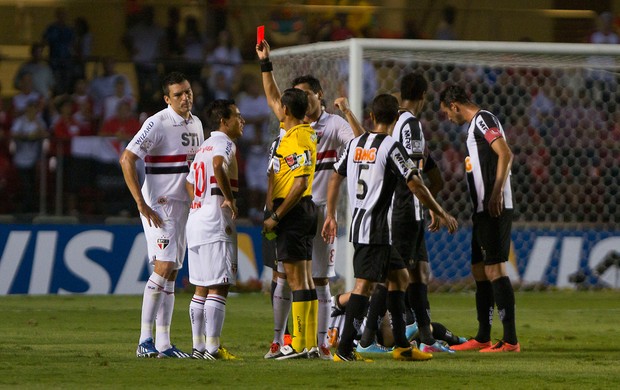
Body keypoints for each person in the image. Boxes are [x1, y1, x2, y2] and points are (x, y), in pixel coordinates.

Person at [322, 93, 458, 362]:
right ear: (396, 118)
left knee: (400, 278)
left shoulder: (355, 143)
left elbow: (335, 177)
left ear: (371, 117)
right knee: (363, 287)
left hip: (369, 228)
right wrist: (440, 210)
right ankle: (346, 350)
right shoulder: (391, 146)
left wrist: (330, 214)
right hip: (373, 230)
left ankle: (402, 346)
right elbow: (415, 183)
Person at [120, 72, 204, 358]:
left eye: (188, 92)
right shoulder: (157, 123)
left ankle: (164, 344)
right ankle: (144, 340)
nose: (185, 97)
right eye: (178, 94)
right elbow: (127, 159)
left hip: (184, 208)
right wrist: (141, 204)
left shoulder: (197, 123)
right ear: (167, 99)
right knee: (164, 267)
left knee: (172, 274)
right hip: (159, 207)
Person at [439, 85, 520, 352]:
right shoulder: (476, 125)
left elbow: (506, 153)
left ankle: (510, 340)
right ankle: (483, 336)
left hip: (494, 206)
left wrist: (496, 192)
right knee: (479, 269)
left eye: (447, 113)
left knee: (495, 268)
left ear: (454, 105)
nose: (448, 119)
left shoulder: (483, 119)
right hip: (482, 210)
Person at [256, 39, 318, 360]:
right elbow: (271, 93)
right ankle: (308, 342)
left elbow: (299, 183)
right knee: (304, 278)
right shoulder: (302, 131)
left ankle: (293, 343)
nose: (276, 105)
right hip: (305, 210)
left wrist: (276, 216)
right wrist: (265, 63)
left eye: (281, 105)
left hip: (291, 209)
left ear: (287, 111)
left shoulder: (295, 139)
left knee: (294, 279)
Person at [388, 73, 455, 353]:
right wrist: (434, 208)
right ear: (423, 96)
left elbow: (427, 171)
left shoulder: (393, 123)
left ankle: (426, 338)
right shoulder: (411, 125)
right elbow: (414, 175)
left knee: (418, 273)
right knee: (400, 277)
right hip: (405, 208)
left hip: (403, 207)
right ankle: (386, 336)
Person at [186, 99, 244, 360]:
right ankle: (213, 347)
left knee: (200, 286)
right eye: (237, 116)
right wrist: (228, 198)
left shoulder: (203, 147)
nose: (241, 121)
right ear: (224, 121)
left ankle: (198, 347)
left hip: (196, 218)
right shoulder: (224, 143)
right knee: (219, 286)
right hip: (215, 221)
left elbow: (189, 182)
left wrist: (200, 202)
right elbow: (219, 165)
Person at [9, 99, 48, 213]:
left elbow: (45, 133)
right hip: (20, 159)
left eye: (33, 109)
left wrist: (37, 126)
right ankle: (24, 210)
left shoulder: (39, 121)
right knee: (26, 186)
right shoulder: (20, 121)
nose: (31, 112)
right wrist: (26, 136)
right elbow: (13, 133)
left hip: (34, 160)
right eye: (29, 109)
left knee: (33, 185)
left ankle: (31, 209)